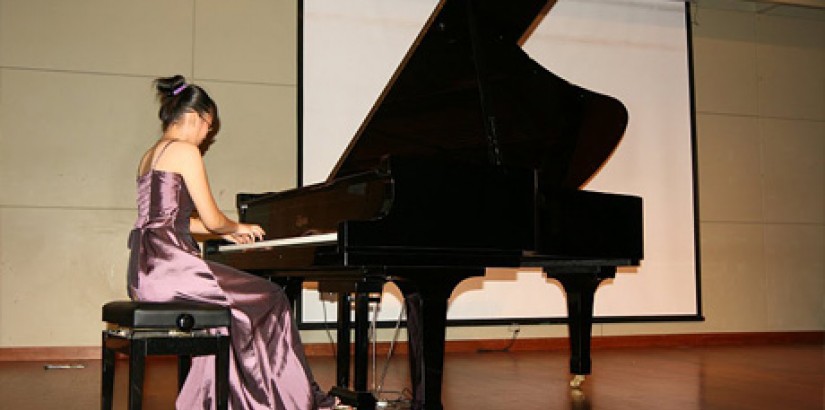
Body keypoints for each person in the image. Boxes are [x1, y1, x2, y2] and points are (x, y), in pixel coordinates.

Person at [127, 74, 339, 410]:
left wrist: (225, 233)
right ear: (197, 117)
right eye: (208, 127)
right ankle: (291, 399)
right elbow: (211, 218)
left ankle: (221, 399)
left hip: (146, 269)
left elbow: (170, 220)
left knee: (228, 315)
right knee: (272, 297)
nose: (207, 135)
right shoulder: (185, 151)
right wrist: (231, 224)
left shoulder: (149, 155)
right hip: (172, 264)